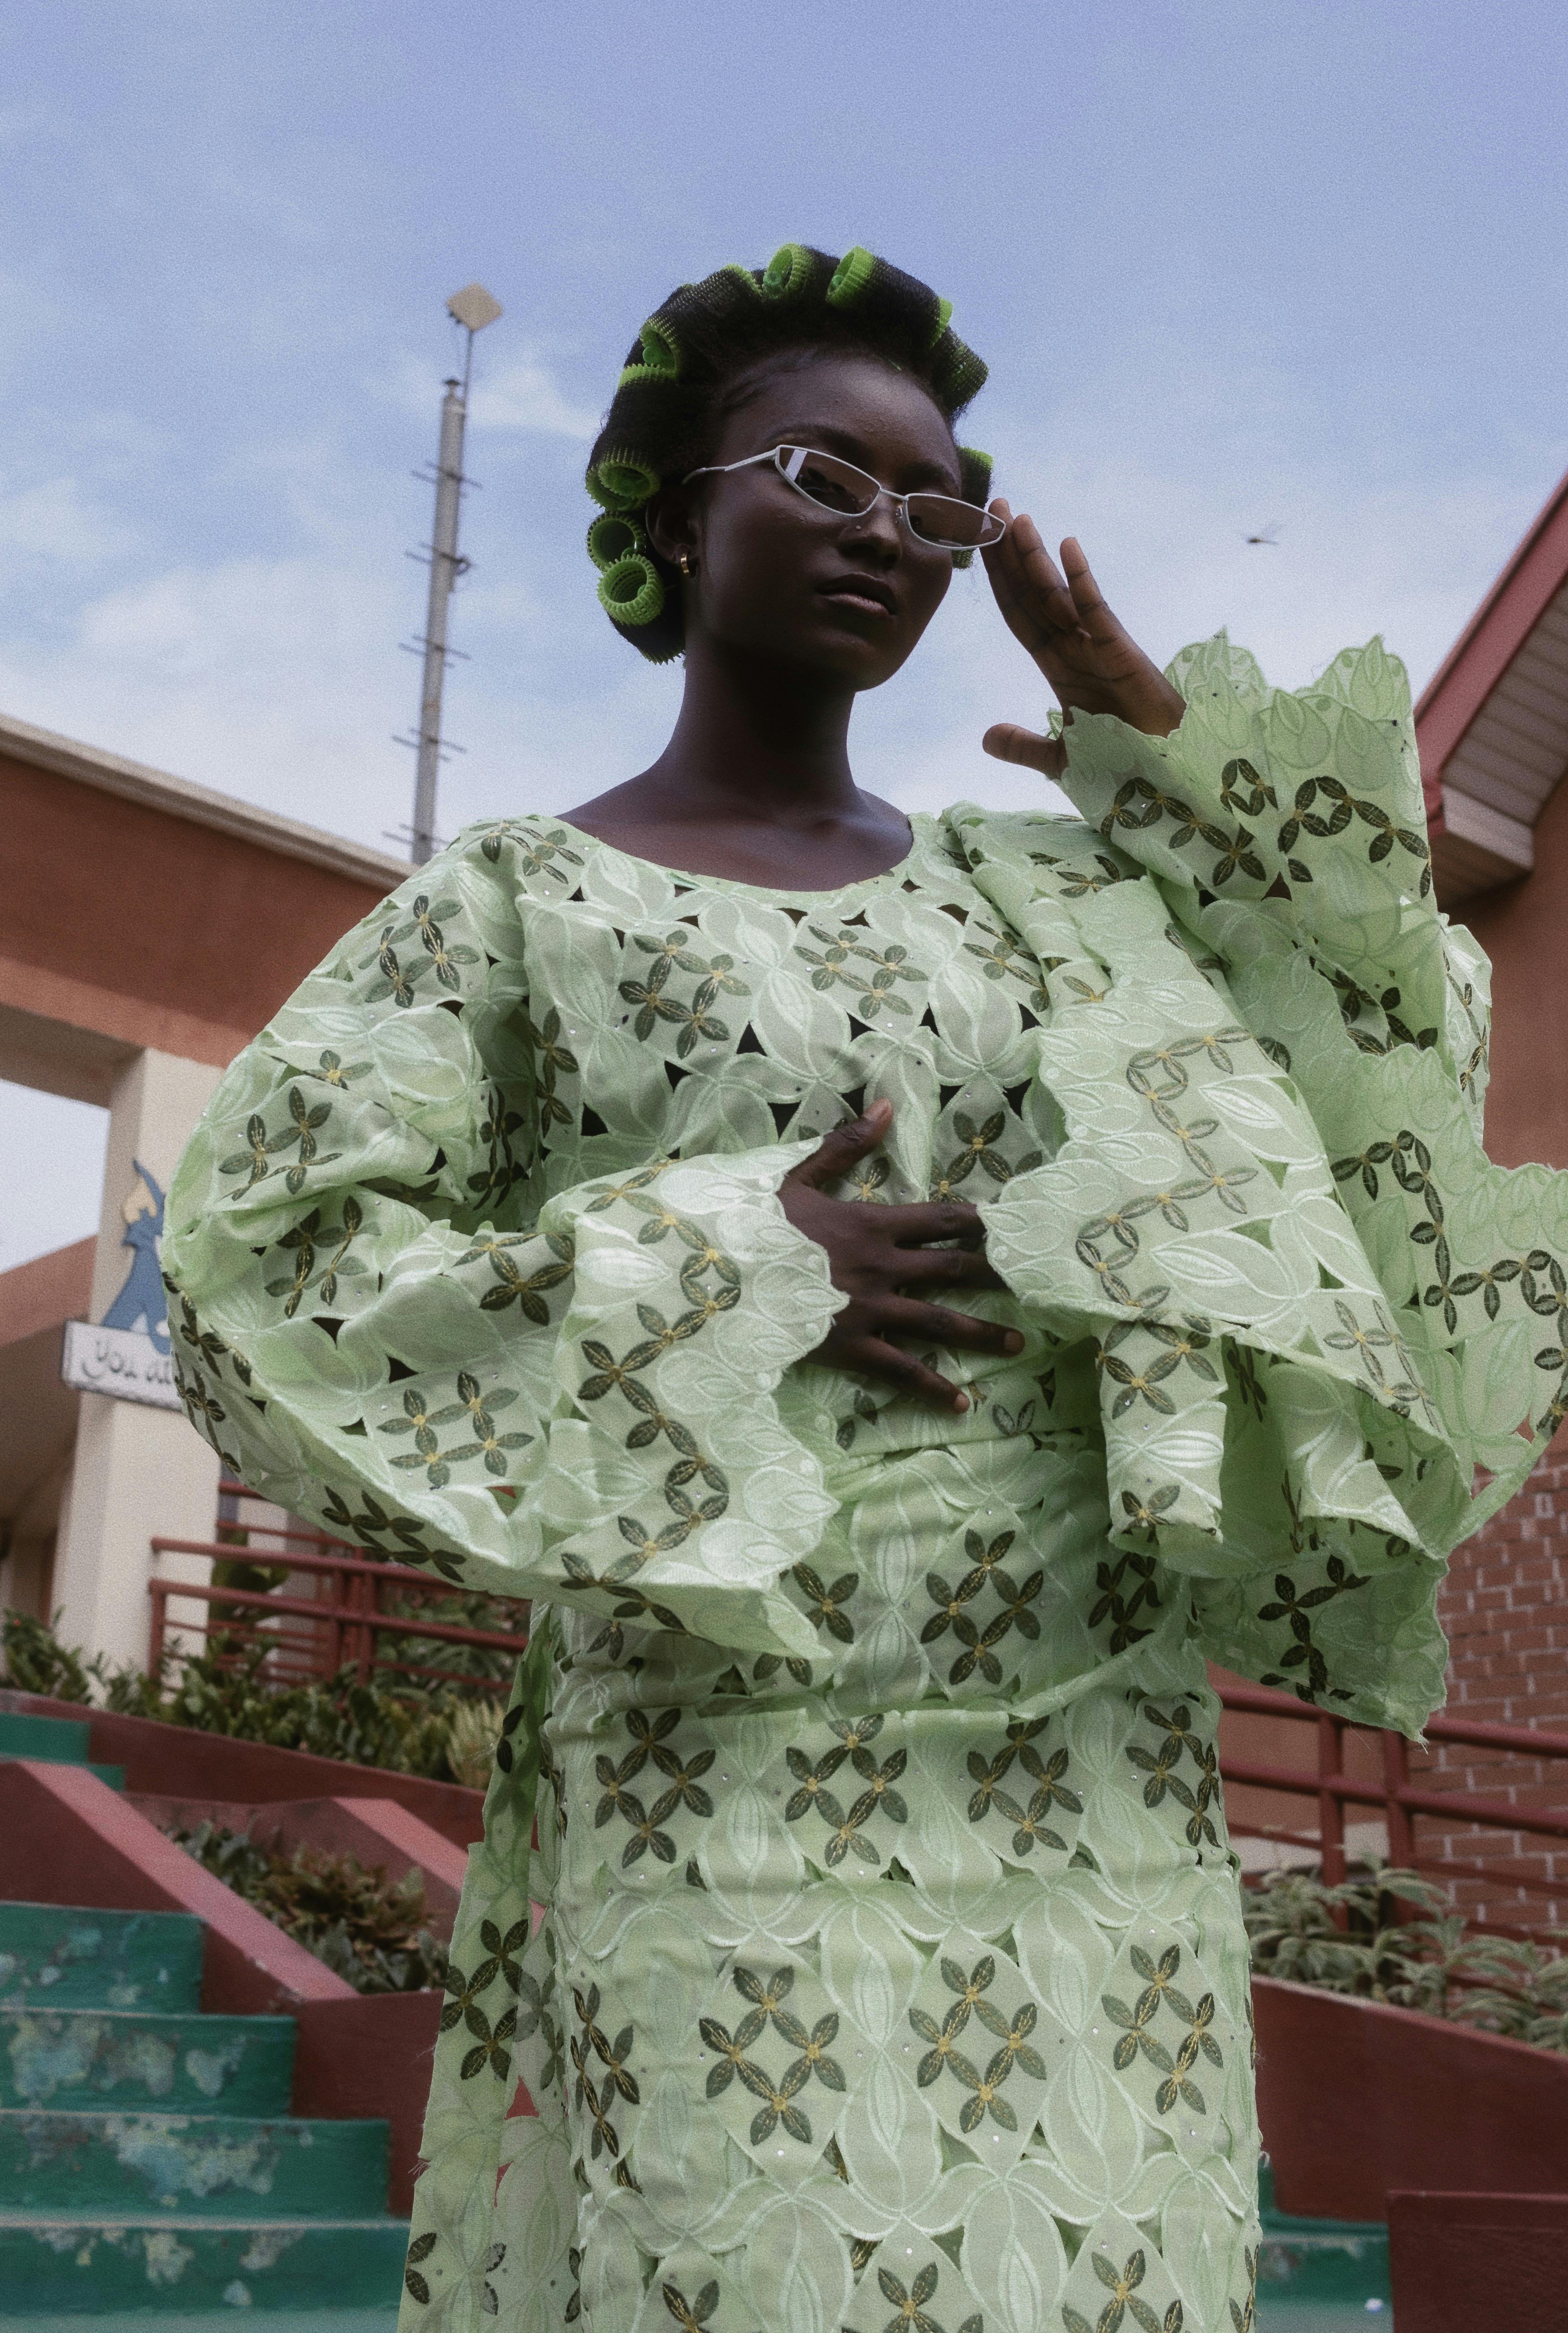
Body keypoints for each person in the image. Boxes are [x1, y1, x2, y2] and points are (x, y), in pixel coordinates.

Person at [163, 247, 1564, 2333]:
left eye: (940, 503)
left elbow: (1387, 1027)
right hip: (724, 1770)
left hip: (1096, 1784)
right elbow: (258, 1276)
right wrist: (728, 1265)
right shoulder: (520, 904)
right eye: (827, 475)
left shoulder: (1052, 896)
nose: (889, 539)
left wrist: (1141, 734)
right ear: (671, 508)